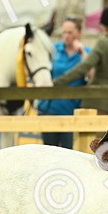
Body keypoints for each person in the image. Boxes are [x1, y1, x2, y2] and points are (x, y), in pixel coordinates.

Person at [53, 5, 108, 114]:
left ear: (107, 27)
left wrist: (57, 82)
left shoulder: (103, 44)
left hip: (97, 102)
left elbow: (83, 68)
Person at [38, 16, 89, 148]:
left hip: (72, 112)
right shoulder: (53, 50)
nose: (66, 36)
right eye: (64, 32)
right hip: (49, 110)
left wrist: (82, 52)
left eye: (70, 32)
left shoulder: (86, 52)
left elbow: (91, 74)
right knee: (49, 153)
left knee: (69, 154)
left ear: (79, 33)